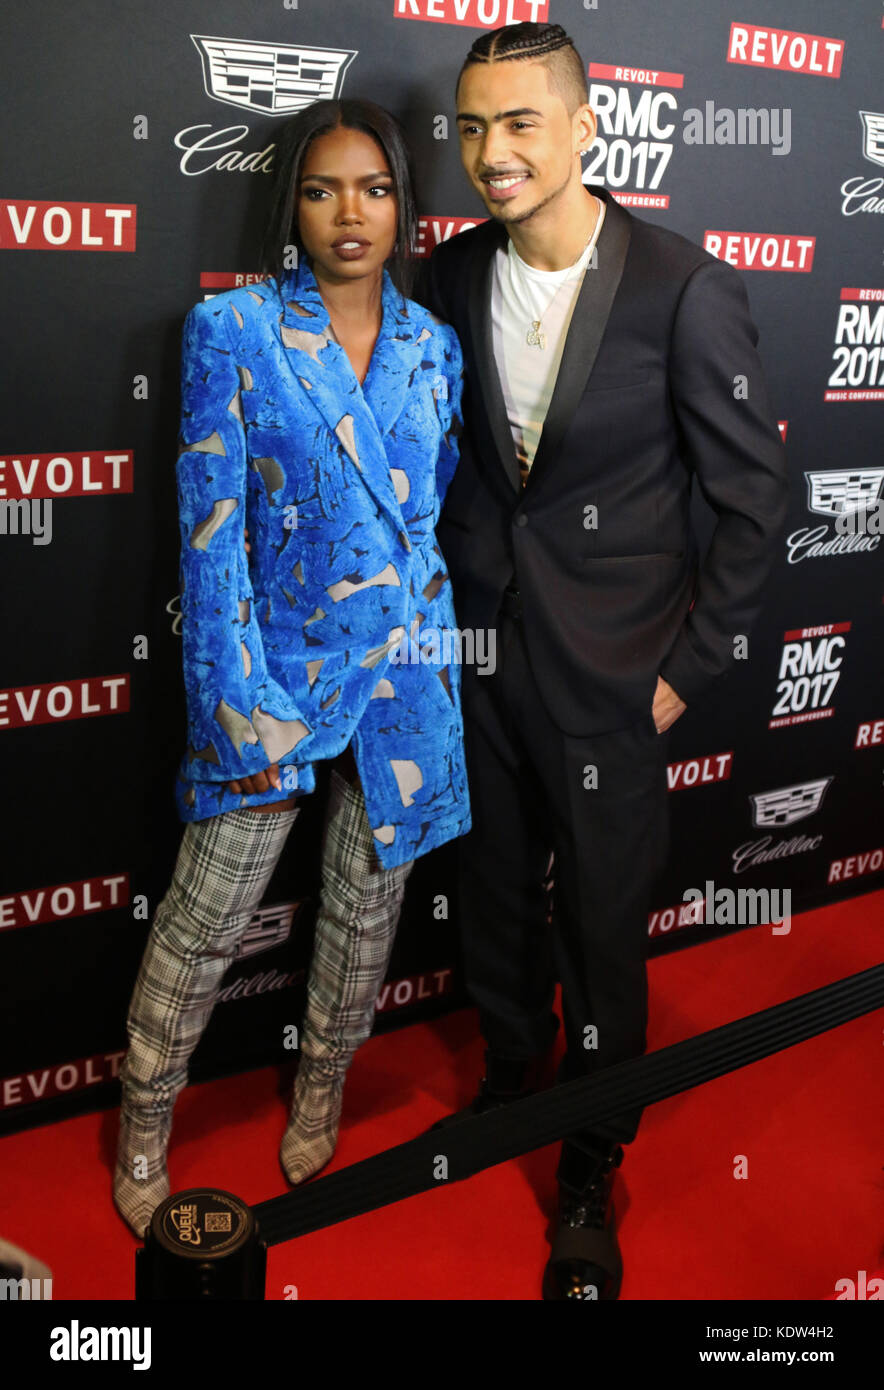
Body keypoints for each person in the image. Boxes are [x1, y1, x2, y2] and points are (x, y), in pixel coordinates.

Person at [415, 23, 789, 1300]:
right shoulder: (452, 272)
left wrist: (686, 666)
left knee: (600, 929)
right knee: (493, 899)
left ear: (584, 128)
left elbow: (753, 500)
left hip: (614, 677)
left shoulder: (681, 287)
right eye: (472, 126)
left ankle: (589, 1157)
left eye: (520, 122)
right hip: (480, 655)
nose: (491, 152)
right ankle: (507, 1080)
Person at [113, 99, 470, 1239]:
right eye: (323, 190)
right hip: (270, 680)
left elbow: (429, 510)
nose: (349, 213)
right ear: (293, 206)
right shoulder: (234, 330)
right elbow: (209, 537)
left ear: (402, 205)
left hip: (403, 677)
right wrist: (237, 699)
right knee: (204, 919)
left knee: (366, 913)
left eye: (374, 188)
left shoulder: (433, 345)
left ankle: (322, 1082)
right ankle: (144, 1118)